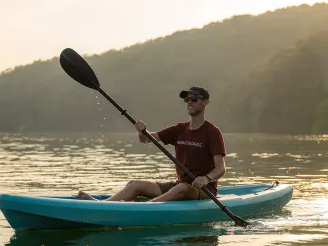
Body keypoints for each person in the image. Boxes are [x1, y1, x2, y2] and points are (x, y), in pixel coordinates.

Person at [77, 86, 226, 202]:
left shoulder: (212, 132)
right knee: (135, 184)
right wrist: (142, 131)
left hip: (204, 190)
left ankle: (146, 208)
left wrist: (206, 178)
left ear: (206, 102)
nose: (190, 102)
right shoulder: (180, 129)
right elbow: (146, 139)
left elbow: (220, 169)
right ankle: (103, 205)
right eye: (187, 100)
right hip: (180, 184)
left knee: (181, 188)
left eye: (194, 99)